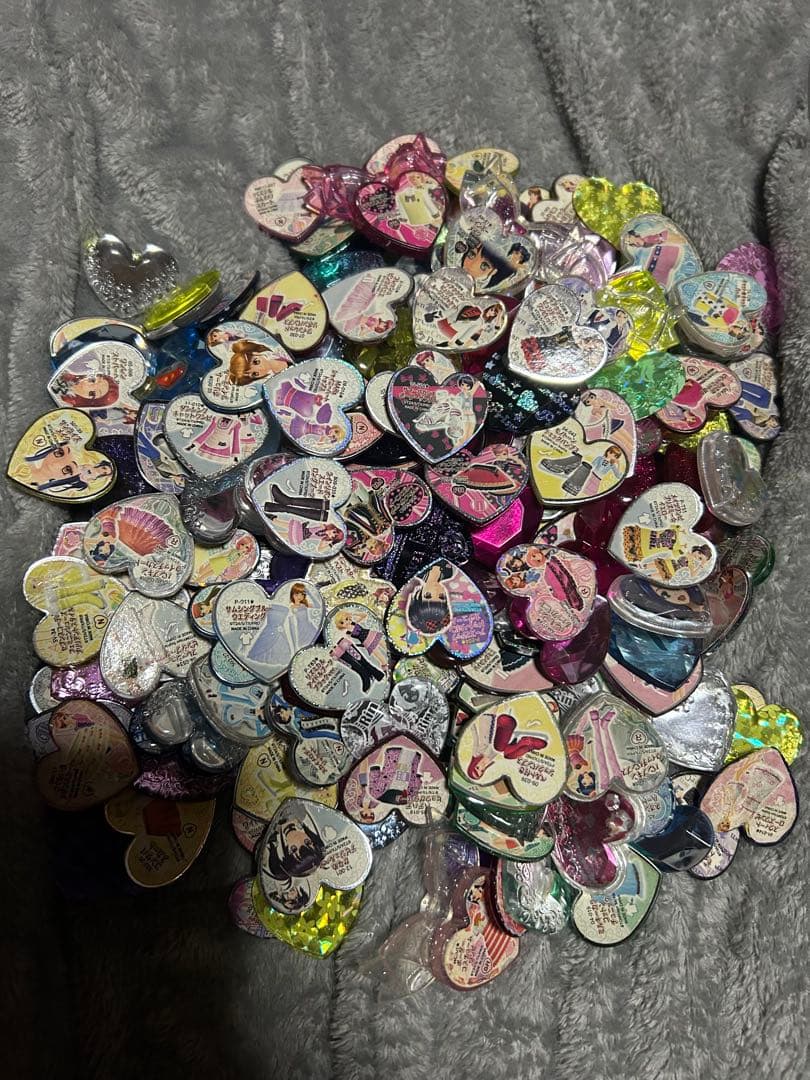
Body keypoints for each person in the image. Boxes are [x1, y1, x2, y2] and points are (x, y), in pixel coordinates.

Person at [464, 711, 549, 781]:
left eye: (477, 767)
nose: (481, 767)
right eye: (482, 770)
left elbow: (475, 738)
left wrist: (469, 721)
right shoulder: (489, 762)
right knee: (508, 755)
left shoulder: (477, 753)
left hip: (490, 727)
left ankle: (506, 726)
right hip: (501, 740)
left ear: (473, 765)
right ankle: (526, 744)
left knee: (498, 748)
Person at [263, 810, 325, 880]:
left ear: (286, 851)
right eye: (307, 842)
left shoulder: (268, 830)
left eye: (294, 849)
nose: (298, 840)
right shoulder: (300, 812)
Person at [405, 562, 454, 635]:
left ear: (417, 595)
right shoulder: (449, 573)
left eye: (428, 595)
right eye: (441, 596)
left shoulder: (416, 570)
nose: (436, 591)